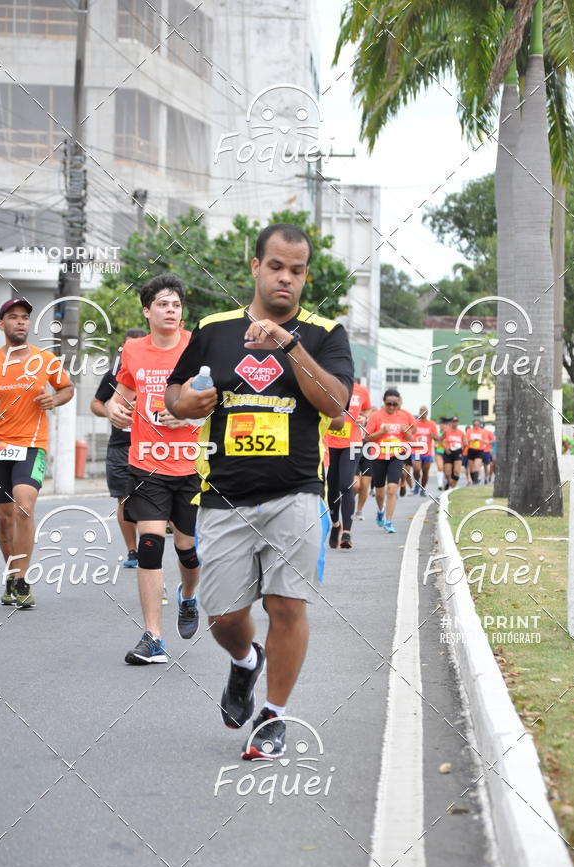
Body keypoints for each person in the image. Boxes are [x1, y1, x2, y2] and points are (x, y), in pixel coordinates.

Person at [165, 222, 353, 759]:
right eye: (276, 267)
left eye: (296, 271)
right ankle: (246, 661)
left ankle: (273, 716)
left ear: (305, 276)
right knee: (223, 618)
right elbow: (175, 391)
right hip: (223, 497)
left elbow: (335, 403)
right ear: (255, 267)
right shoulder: (215, 329)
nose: (285, 279)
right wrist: (185, 404)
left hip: (295, 494)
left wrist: (289, 344)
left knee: (286, 606)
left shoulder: (323, 334)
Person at [106, 274, 202, 662]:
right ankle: (153, 637)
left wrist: (188, 417)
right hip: (146, 462)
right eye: (163, 304)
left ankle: (189, 596)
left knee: (187, 550)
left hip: (192, 463)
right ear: (147, 311)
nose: (171, 311)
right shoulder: (132, 350)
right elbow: (122, 393)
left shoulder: (197, 347)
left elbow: (219, 399)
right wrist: (115, 408)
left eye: (176, 305)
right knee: (149, 545)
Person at [0, 297, 74, 608]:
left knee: (23, 506)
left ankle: (21, 579)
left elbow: (67, 388)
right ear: (1, 324)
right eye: (13, 317)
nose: (20, 322)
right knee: (4, 517)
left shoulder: (45, 358)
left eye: (24, 317)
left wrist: (55, 400)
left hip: (33, 445)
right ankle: (11, 575)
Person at [90, 327, 147, 567]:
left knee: (147, 500)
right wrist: (111, 412)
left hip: (148, 446)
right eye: (126, 348)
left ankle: (149, 546)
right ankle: (132, 551)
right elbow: (95, 403)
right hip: (119, 447)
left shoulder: (153, 374)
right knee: (123, 499)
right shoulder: (113, 376)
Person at [325, 380, 371, 549]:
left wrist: (364, 418)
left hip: (353, 443)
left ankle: (347, 532)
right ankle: (336, 524)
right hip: (330, 441)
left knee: (347, 484)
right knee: (332, 487)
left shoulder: (361, 390)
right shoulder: (327, 384)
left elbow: (367, 408)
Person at [364, 388, 414, 534]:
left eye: (394, 404)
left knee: (392, 489)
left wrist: (406, 432)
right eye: (389, 404)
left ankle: (389, 521)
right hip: (379, 455)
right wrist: (381, 433)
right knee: (380, 493)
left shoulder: (404, 416)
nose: (391, 407)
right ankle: (380, 510)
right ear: (384, 402)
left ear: (398, 403)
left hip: (396, 455)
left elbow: (410, 439)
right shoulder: (376, 416)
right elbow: (367, 438)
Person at [411, 406, 438, 496]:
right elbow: (408, 434)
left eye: (425, 411)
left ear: (427, 413)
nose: (423, 413)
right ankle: (417, 484)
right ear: (419, 412)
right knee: (416, 469)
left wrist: (432, 436)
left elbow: (437, 438)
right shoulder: (414, 423)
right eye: (421, 411)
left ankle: (422, 488)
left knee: (425, 472)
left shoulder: (432, 424)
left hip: (427, 451)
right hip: (416, 450)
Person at [440, 416, 466, 488]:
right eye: (453, 422)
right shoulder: (446, 431)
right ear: (451, 423)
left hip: (458, 452)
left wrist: (463, 447)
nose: (455, 423)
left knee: (457, 472)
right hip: (448, 452)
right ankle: (449, 483)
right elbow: (440, 440)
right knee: (447, 473)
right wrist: (445, 448)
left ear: (458, 423)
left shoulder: (461, 432)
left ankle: (452, 487)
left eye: (456, 422)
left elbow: (465, 442)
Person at [465, 418, 488, 484]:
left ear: (480, 424)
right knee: (471, 468)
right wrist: (471, 440)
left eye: (477, 425)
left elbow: (486, 442)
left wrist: (480, 440)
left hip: (479, 450)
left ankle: (475, 482)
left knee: (476, 467)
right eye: (475, 425)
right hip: (471, 450)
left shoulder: (483, 431)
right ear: (473, 424)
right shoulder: (469, 431)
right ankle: (473, 480)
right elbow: (466, 440)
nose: (476, 426)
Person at [434, 418, 447, 492]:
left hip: (447, 452)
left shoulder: (448, 433)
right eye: (440, 425)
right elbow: (435, 440)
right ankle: (440, 484)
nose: (441, 426)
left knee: (446, 469)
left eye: (443, 425)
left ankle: (445, 482)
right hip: (439, 451)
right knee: (440, 467)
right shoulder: (438, 433)